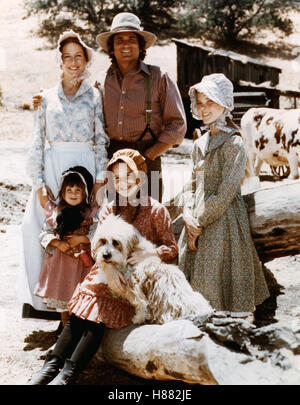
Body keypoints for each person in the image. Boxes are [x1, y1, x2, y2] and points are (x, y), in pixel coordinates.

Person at [28, 149, 178, 385]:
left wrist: (151, 253)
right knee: (87, 301)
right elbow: (98, 249)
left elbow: (171, 248)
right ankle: (52, 364)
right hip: (108, 273)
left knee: (102, 305)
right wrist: (108, 271)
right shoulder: (109, 209)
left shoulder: (155, 210)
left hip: (137, 280)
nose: (123, 183)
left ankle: (69, 373)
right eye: (116, 178)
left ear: (140, 177)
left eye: (128, 176)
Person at [34, 13, 187, 202]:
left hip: (148, 158)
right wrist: (45, 97)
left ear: (141, 46)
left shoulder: (159, 77)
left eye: (132, 39)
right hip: (111, 160)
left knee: (150, 220)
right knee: (112, 222)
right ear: (111, 48)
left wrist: (148, 156)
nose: (125, 45)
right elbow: (77, 102)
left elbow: (177, 125)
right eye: (119, 40)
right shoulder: (101, 80)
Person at [19, 30, 109, 318]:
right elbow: (37, 139)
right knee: (42, 228)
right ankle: (47, 301)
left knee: (82, 230)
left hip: (84, 166)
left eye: (78, 57)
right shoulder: (45, 97)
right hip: (54, 165)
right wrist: (38, 182)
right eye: (67, 57)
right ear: (60, 62)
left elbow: (100, 139)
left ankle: (79, 305)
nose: (73, 62)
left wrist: (99, 180)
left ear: (86, 61)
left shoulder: (94, 95)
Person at [177, 73, 269, 323]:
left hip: (223, 222)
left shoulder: (234, 143)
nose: (205, 108)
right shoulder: (199, 144)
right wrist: (187, 214)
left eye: (211, 102)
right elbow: (191, 183)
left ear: (225, 104)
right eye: (201, 102)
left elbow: (227, 192)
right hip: (195, 219)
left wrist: (200, 223)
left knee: (221, 275)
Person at [34, 166, 98, 326]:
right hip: (61, 264)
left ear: (85, 193)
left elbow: (98, 232)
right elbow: (44, 232)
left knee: (80, 297)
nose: (73, 194)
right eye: (69, 190)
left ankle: (77, 331)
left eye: (78, 190)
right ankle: (64, 330)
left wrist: (82, 238)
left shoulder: (89, 213)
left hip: (82, 264)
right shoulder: (56, 213)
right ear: (62, 193)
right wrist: (57, 242)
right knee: (64, 298)